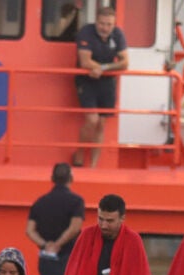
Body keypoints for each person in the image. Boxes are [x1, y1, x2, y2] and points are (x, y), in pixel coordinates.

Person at [72, 6, 128, 168]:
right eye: (102, 24)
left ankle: (93, 165)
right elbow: (85, 61)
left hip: (107, 82)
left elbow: (125, 62)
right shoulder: (86, 32)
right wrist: (103, 67)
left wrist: (103, 69)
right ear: (96, 22)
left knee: (101, 124)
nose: (105, 28)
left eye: (109, 24)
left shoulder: (118, 34)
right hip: (86, 80)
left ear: (114, 24)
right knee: (92, 120)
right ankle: (79, 156)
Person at [25, 162, 85, 275]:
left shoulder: (40, 202)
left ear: (52, 178)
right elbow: (75, 228)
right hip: (68, 258)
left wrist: (46, 245)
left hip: (46, 259)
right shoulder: (76, 201)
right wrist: (58, 244)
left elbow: (29, 230)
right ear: (71, 178)